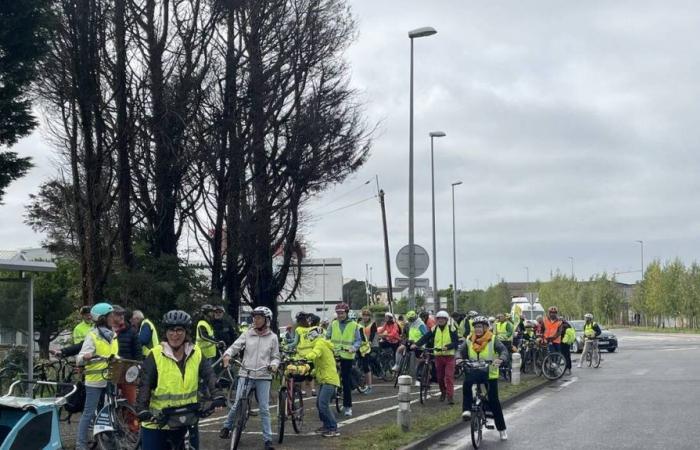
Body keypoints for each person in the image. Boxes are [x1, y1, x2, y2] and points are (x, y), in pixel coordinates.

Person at [136, 310, 224, 450]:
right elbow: (144, 385)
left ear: (186, 332)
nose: (175, 335)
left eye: (179, 330)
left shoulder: (196, 353)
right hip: (158, 422)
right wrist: (142, 409)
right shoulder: (155, 355)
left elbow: (210, 375)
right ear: (165, 332)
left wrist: (217, 394)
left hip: (187, 418)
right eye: (171, 330)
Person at [220, 306, 279, 450]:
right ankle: (227, 426)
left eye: (259, 317)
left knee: (264, 408)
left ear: (267, 320)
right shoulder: (247, 334)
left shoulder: (273, 337)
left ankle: (267, 440)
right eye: (255, 317)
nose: (256, 320)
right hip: (245, 373)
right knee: (238, 402)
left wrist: (273, 365)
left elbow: (275, 357)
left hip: (263, 375)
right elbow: (234, 347)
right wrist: (227, 355)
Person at [75, 302, 119, 450]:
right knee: (88, 413)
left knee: (110, 410)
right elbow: (79, 359)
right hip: (95, 380)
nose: (114, 318)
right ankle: (80, 445)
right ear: (102, 318)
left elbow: (115, 355)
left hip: (110, 378)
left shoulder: (113, 335)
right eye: (111, 315)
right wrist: (86, 357)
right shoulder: (92, 335)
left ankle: (110, 438)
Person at [459, 315, 509, 441]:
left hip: (489, 373)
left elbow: (503, 350)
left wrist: (500, 359)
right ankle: (467, 411)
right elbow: (460, 350)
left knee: (494, 400)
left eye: (480, 327)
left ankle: (502, 429)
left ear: (485, 327)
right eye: (475, 327)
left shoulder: (493, 339)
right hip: (474, 370)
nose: (477, 329)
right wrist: (458, 357)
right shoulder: (469, 339)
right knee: (467, 385)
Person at [412, 310, 458, 404]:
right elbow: (426, 337)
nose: (440, 320)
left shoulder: (451, 329)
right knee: (440, 377)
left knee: (449, 377)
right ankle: (443, 392)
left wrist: (447, 347)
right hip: (438, 356)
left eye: (443, 319)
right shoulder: (434, 328)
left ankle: (450, 396)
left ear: (446, 320)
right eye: (439, 319)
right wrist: (416, 344)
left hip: (449, 356)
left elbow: (455, 342)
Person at [304, 326, 341, 437]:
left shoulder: (320, 343)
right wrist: (312, 372)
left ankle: (333, 428)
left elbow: (315, 353)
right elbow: (322, 365)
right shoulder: (323, 343)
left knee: (323, 404)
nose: (309, 339)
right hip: (326, 379)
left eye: (310, 336)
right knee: (319, 404)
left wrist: (306, 357)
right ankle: (326, 425)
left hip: (329, 379)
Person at [327, 302, 361, 417]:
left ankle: (348, 407)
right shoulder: (333, 324)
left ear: (346, 313)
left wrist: (354, 348)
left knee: (345, 381)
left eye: (342, 313)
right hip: (334, 354)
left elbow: (358, 341)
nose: (340, 315)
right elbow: (327, 337)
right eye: (338, 313)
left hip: (347, 356)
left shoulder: (354, 325)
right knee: (330, 378)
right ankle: (329, 398)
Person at [112, 305, 140, 406]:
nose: (121, 317)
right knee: (109, 399)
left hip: (128, 370)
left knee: (130, 400)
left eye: (122, 314)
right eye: (118, 314)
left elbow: (137, 352)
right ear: (111, 316)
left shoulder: (131, 331)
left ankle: (131, 421)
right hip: (111, 369)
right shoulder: (106, 332)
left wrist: (138, 367)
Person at [358, 308, 378, 394]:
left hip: (371, 346)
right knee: (360, 364)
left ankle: (370, 387)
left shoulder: (373, 324)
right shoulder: (359, 323)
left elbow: (373, 334)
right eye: (364, 315)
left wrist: (369, 342)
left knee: (366, 366)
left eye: (367, 315)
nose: (365, 317)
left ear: (369, 316)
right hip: (361, 346)